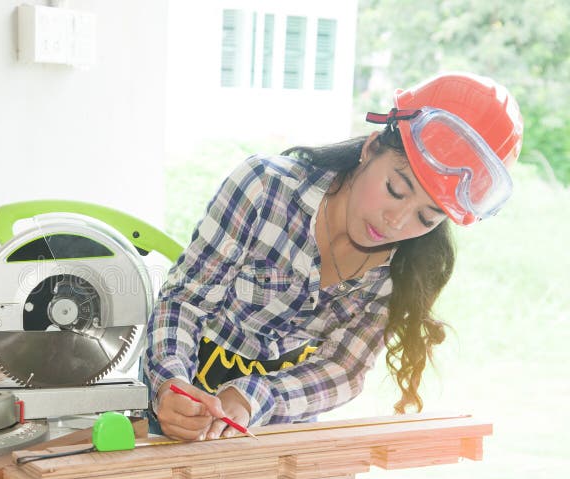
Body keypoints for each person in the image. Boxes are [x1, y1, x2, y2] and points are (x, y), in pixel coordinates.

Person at [142, 72, 524, 441]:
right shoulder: (266, 189)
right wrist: (171, 384)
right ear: (371, 147)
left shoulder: (403, 272)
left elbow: (343, 369)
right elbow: (186, 301)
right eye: (395, 188)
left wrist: (251, 397)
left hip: (276, 439)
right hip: (170, 418)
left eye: (426, 217)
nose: (396, 222)